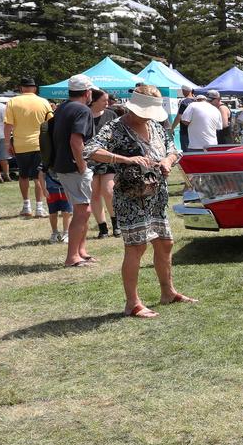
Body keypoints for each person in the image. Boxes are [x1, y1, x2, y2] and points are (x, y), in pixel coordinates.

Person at [85, 85, 194, 318]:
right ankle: (132, 303)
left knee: (165, 243)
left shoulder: (155, 125)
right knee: (136, 247)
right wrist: (125, 159)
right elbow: (91, 150)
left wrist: (167, 160)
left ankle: (168, 292)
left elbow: (175, 150)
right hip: (131, 198)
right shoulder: (115, 127)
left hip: (156, 196)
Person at [51, 74, 99, 268]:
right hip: (74, 166)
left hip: (62, 164)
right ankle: (72, 257)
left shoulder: (62, 107)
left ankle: (81, 251)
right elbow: (76, 141)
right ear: (87, 92)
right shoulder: (82, 110)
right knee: (82, 210)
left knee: (83, 209)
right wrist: (82, 165)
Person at [3, 78, 52, 218]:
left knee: (23, 176)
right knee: (39, 176)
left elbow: (8, 125)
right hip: (40, 144)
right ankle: (40, 207)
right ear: (34, 88)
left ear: (21, 88)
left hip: (21, 144)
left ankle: (26, 206)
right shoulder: (43, 102)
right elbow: (51, 122)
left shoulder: (13, 102)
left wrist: (7, 143)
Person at [89, 89, 120, 239]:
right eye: (104, 100)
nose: (107, 103)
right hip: (90, 159)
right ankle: (102, 228)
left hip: (108, 158)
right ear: (93, 101)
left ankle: (116, 224)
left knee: (109, 191)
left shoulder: (111, 115)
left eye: (107, 100)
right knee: (94, 194)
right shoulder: (84, 114)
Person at [44, 172, 71, 242]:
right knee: (52, 213)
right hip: (51, 190)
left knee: (66, 212)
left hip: (65, 189)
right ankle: (55, 233)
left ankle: (66, 233)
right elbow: (41, 174)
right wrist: (44, 189)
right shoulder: (46, 161)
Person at [176, 86, 195, 152]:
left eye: (183, 90)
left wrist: (172, 128)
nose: (182, 92)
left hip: (185, 131)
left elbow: (179, 117)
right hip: (195, 131)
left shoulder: (184, 102)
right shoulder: (196, 101)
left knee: (187, 152)